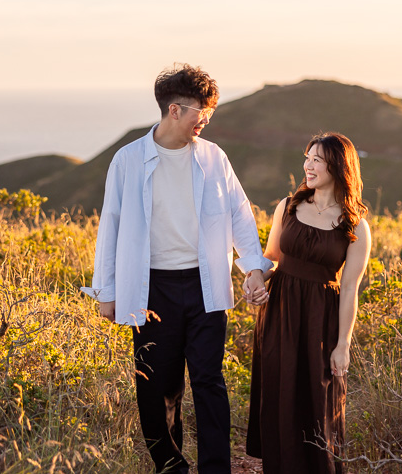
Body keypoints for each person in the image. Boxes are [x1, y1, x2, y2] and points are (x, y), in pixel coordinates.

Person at [89, 63, 271, 474]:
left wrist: (253, 268)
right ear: (175, 110)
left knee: (209, 382)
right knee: (157, 388)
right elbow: (111, 224)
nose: (205, 121)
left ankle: (214, 469)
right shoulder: (128, 160)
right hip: (152, 289)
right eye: (200, 113)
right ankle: (171, 466)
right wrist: (107, 291)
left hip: (205, 285)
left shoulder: (213, 157)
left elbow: (240, 214)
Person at [244, 132, 372, 474]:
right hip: (280, 315)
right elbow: (270, 258)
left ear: (338, 166)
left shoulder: (355, 225)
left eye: (317, 159)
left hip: (321, 321)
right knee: (280, 395)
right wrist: (256, 275)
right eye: (307, 157)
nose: (308, 165)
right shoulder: (287, 207)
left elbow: (350, 290)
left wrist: (342, 346)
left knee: (319, 402)